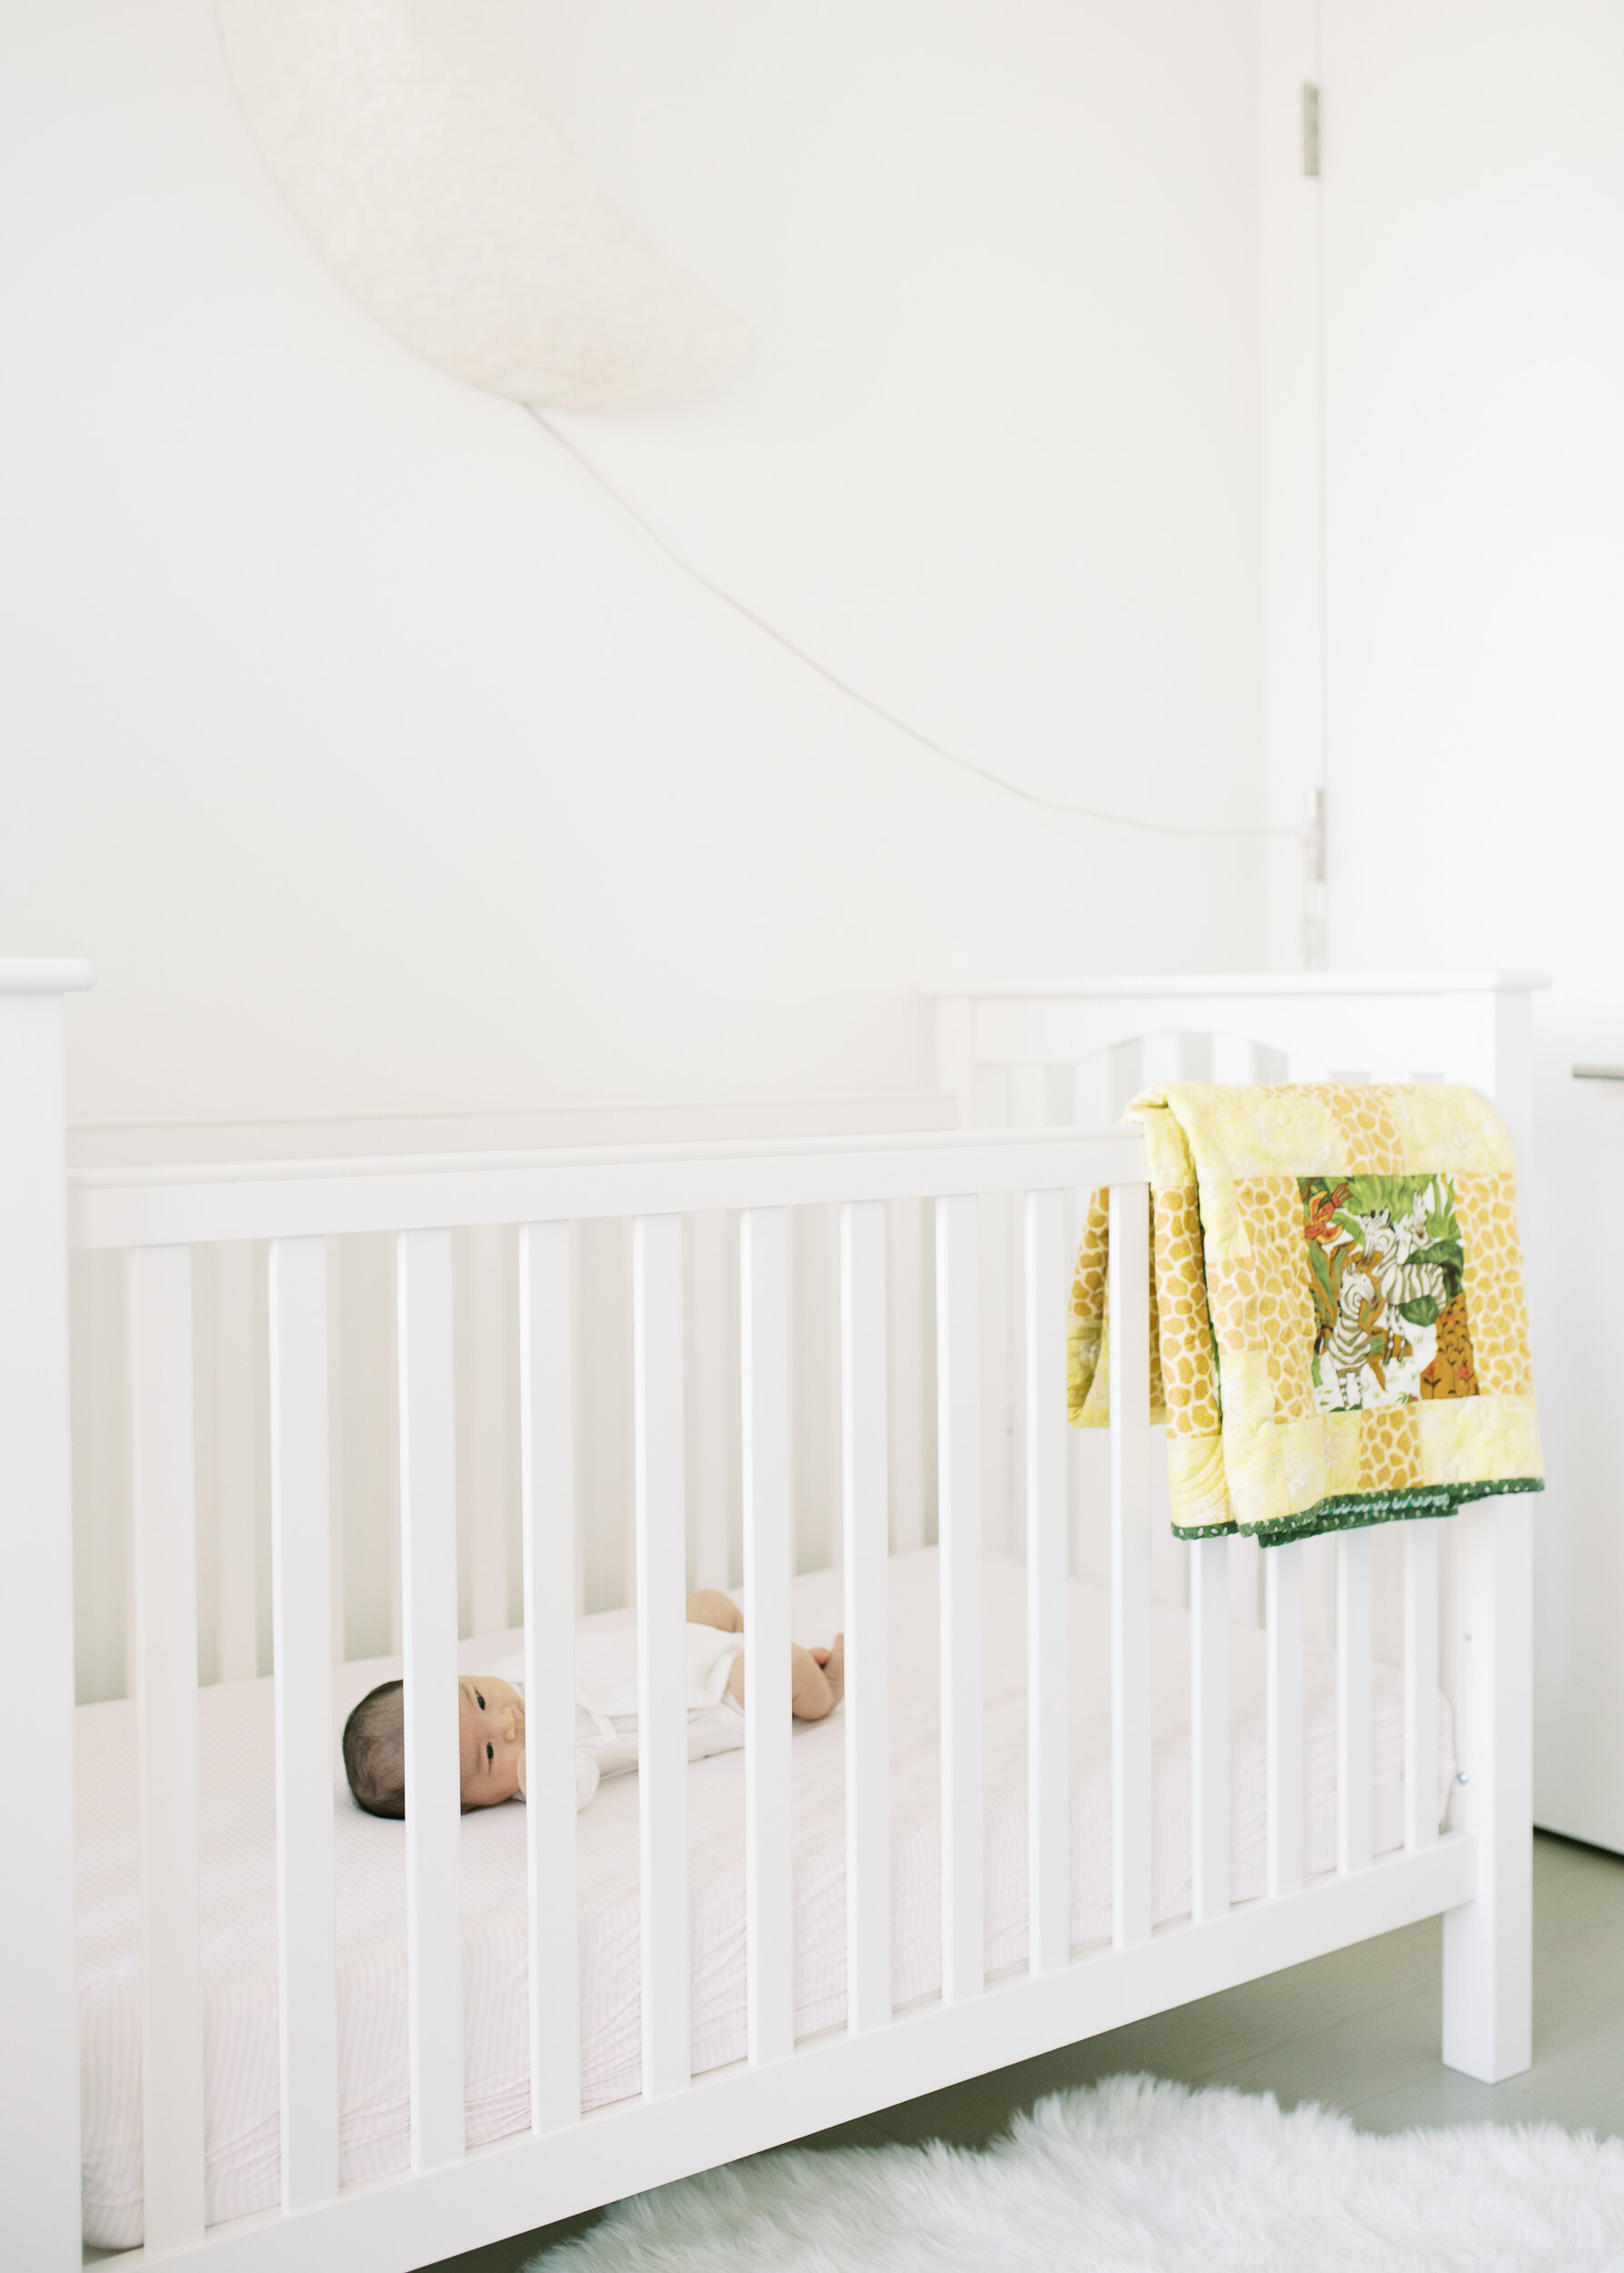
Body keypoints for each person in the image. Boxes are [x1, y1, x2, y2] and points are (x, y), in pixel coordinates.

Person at [342, 1588, 844, 1819]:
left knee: (709, 1605)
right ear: (471, 1803)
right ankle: (823, 1694)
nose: (506, 1724)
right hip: (707, 1704)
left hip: (668, 1648)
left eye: (476, 1698)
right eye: (490, 1754)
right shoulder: (542, 1775)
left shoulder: (507, 1673)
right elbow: (573, 1789)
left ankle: (737, 1644)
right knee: (782, 1665)